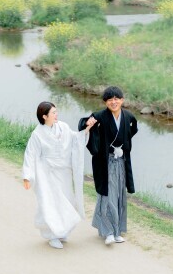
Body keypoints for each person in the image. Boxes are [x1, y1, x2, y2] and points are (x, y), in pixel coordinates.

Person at [23, 102, 89, 249]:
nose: (56, 114)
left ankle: (62, 231)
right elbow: (30, 155)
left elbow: (75, 139)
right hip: (47, 175)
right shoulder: (37, 134)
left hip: (64, 173)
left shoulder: (63, 127)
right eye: (53, 113)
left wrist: (86, 130)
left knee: (67, 201)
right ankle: (52, 235)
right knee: (50, 203)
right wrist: (27, 176)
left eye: (56, 112)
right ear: (44, 116)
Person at [79, 86, 138, 246]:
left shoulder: (128, 116)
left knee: (119, 194)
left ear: (122, 100)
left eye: (116, 98)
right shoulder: (100, 116)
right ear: (105, 102)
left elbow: (133, 128)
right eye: (110, 99)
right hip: (105, 162)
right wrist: (89, 124)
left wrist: (122, 145)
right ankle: (108, 232)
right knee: (107, 195)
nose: (114, 102)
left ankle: (117, 230)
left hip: (121, 161)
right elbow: (83, 125)